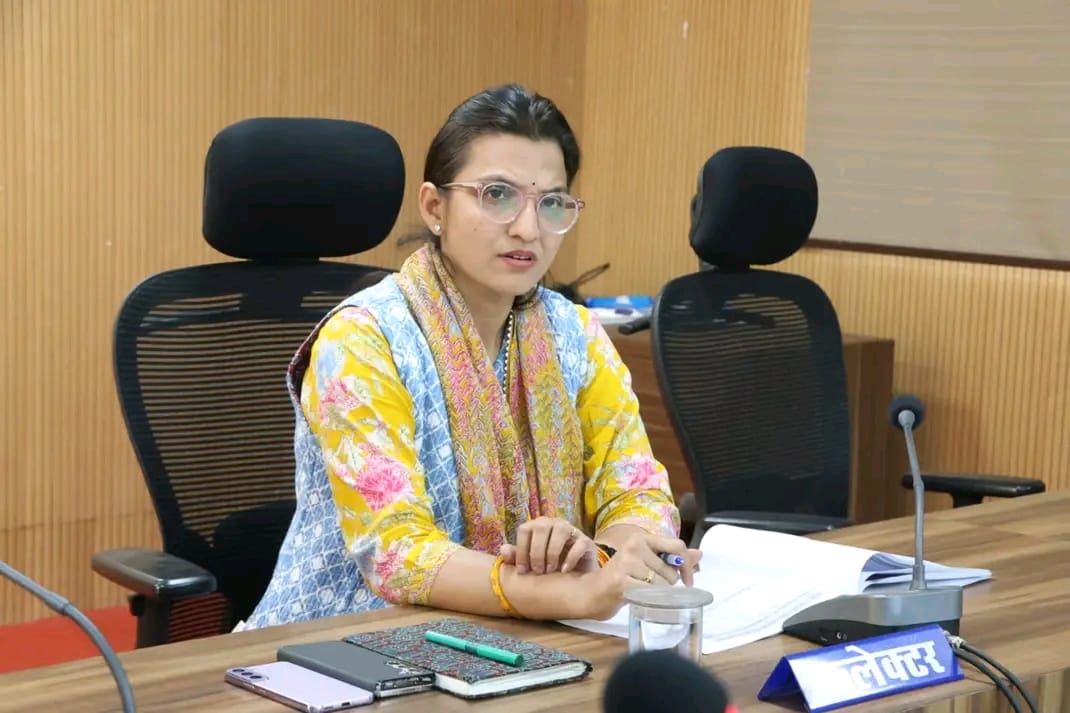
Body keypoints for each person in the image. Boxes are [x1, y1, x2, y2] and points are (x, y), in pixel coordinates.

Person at [243, 84, 700, 630]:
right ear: (435, 207)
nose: (528, 228)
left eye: (551, 203)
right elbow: (397, 554)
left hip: (521, 637)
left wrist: (602, 560)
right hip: (340, 638)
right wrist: (564, 593)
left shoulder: (576, 334)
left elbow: (638, 491)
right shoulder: (363, 339)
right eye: (497, 195)